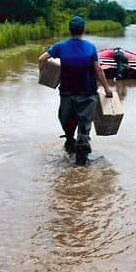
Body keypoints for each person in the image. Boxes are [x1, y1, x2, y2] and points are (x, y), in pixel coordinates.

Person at [39, 16, 113, 165]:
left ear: (69, 30)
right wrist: (107, 88)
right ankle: (82, 156)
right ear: (83, 30)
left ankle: (69, 142)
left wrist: (45, 75)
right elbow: (98, 69)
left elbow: (42, 59)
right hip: (87, 93)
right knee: (84, 124)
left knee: (67, 121)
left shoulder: (60, 46)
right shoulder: (90, 47)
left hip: (67, 92)